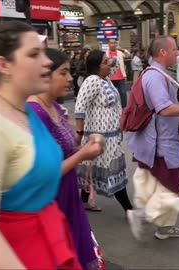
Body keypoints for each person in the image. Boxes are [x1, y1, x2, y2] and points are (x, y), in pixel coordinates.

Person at [0, 22, 89, 270]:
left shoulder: (23, 110)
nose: (46, 62)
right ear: (3, 65)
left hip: (37, 244)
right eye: (34, 54)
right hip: (6, 256)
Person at [28, 48, 105, 270]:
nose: (70, 78)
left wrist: (84, 147)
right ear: (45, 75)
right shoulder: (35, 113)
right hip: (51, 202)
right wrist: (82, 154)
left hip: (68, 194)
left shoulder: (52, 107)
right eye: (63, 72)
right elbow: (42, 173)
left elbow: (62, 150)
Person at [126, 36, 179, 241]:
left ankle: (165, 228)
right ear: (163, 52)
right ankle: (141, 216)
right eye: (174, 49)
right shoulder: (155, 77)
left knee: (164, 187)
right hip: (163, 145)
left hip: (163, 142)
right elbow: (165, 109)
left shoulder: (159, 74)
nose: (178, 53)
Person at [75, 50, 133, 213]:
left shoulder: (105, 78)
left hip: (111, 135)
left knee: (90, 170)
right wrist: (79, 134)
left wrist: (110, 56)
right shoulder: (92, 81)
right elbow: (80, 108)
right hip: (99, 138)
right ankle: (130, 210)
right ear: (96, 66)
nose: (109, 64)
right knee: (113, 172)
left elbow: (114, 62)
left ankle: (84, 202)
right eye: (105, 62)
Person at [106, 39, 130, 108]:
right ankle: (114, 107)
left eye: (114, 43)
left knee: (123, 93)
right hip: (110, 77)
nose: (113, 45)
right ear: (108, 44)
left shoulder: (119, 52)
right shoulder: (106, 53)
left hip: (121, 77)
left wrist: (123, 50)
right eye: (111, 43)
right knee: (111, 94)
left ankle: (124, 108)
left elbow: (128, 55)